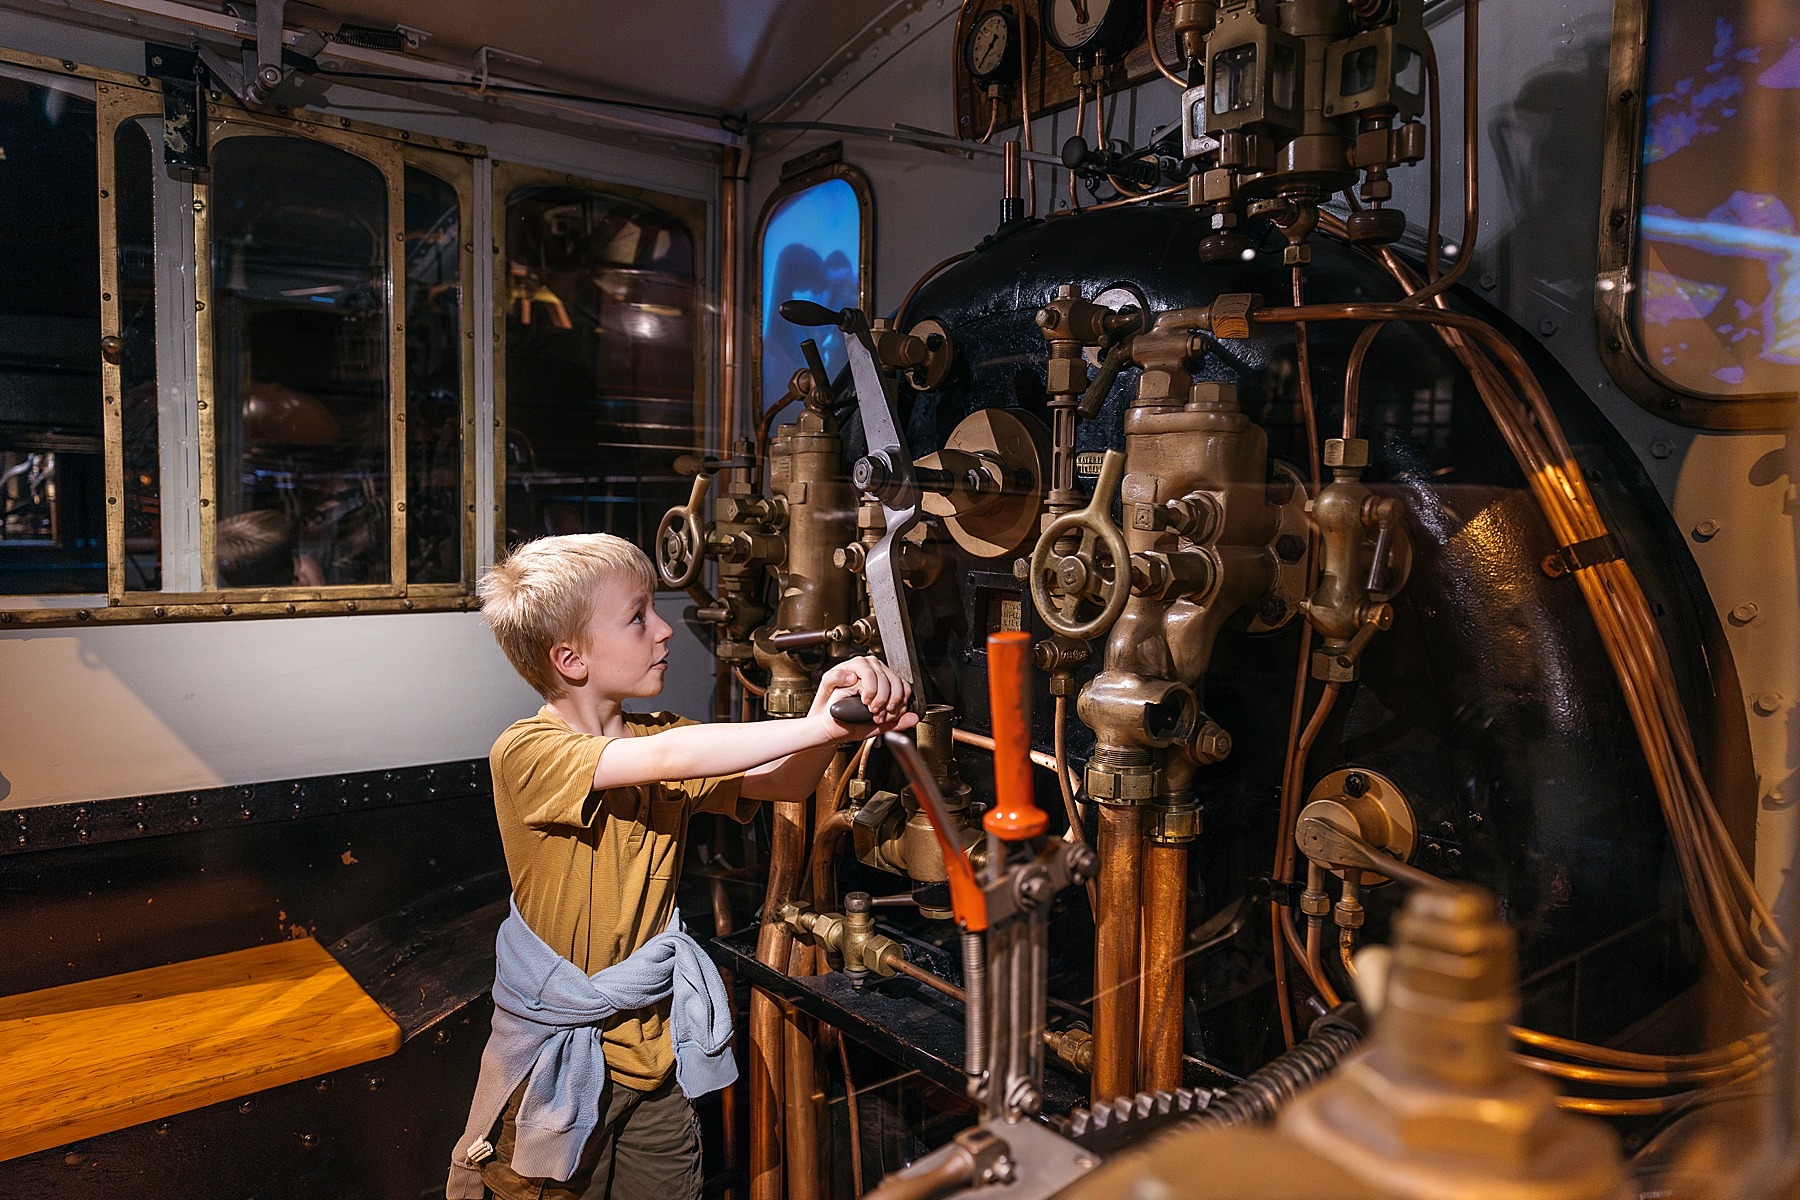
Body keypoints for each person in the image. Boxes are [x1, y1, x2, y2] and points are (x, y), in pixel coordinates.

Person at [449, 533, 914, 1200]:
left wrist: (829, 720)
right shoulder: (526, 752)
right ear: (571, 658)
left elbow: (783, 783)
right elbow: (673, 759)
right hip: (552, 1067)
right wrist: (819, 726)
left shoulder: (660, 733)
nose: (665, 630)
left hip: (650, 1059)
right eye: (638, 616)